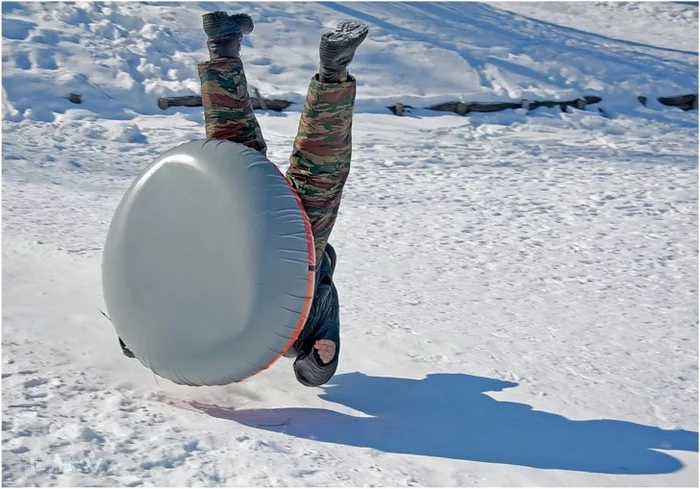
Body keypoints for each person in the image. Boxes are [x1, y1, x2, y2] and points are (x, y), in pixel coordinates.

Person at [119, 12, 368, 388]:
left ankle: (331, 70)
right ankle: (223, 47)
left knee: (314, 167)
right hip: (262, 247)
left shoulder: (295, 320)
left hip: (273, 253)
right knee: (236, 150)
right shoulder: (306, 317)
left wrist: (136, 335)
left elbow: (313, 371)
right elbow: (313, 373)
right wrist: (321, 357)